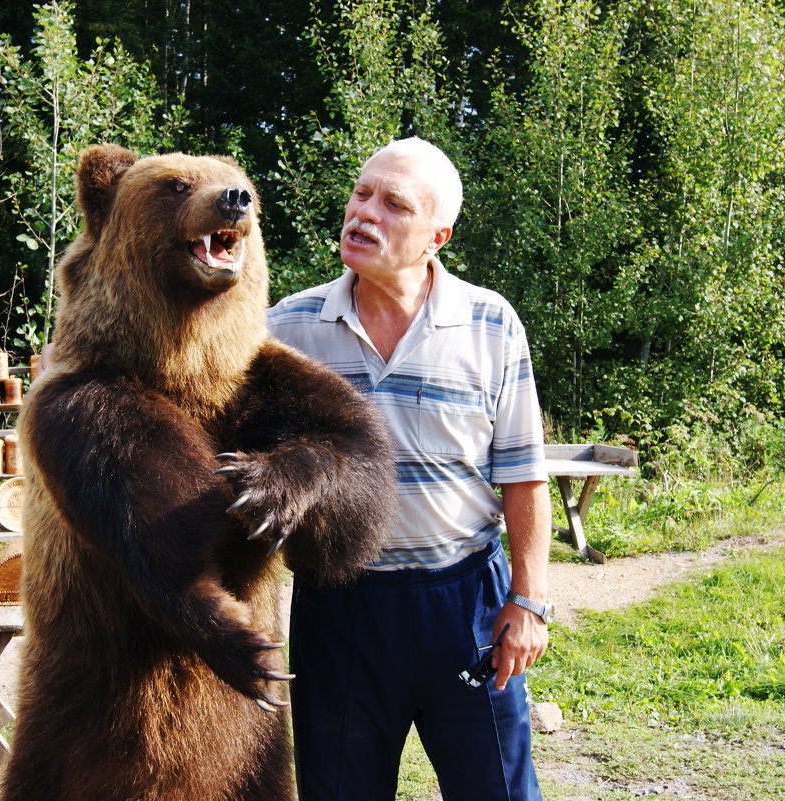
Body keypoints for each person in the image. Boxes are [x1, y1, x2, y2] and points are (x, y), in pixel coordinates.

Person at [267, 137, 553, 801]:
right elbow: (191, 382)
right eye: (362, 192)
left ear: (437, 235)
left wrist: (530, 601)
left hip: (464, 607)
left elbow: (524, 475)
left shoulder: (490, 324)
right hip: (338, 610)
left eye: (394, 203)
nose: (366, 211)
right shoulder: (287, 328)